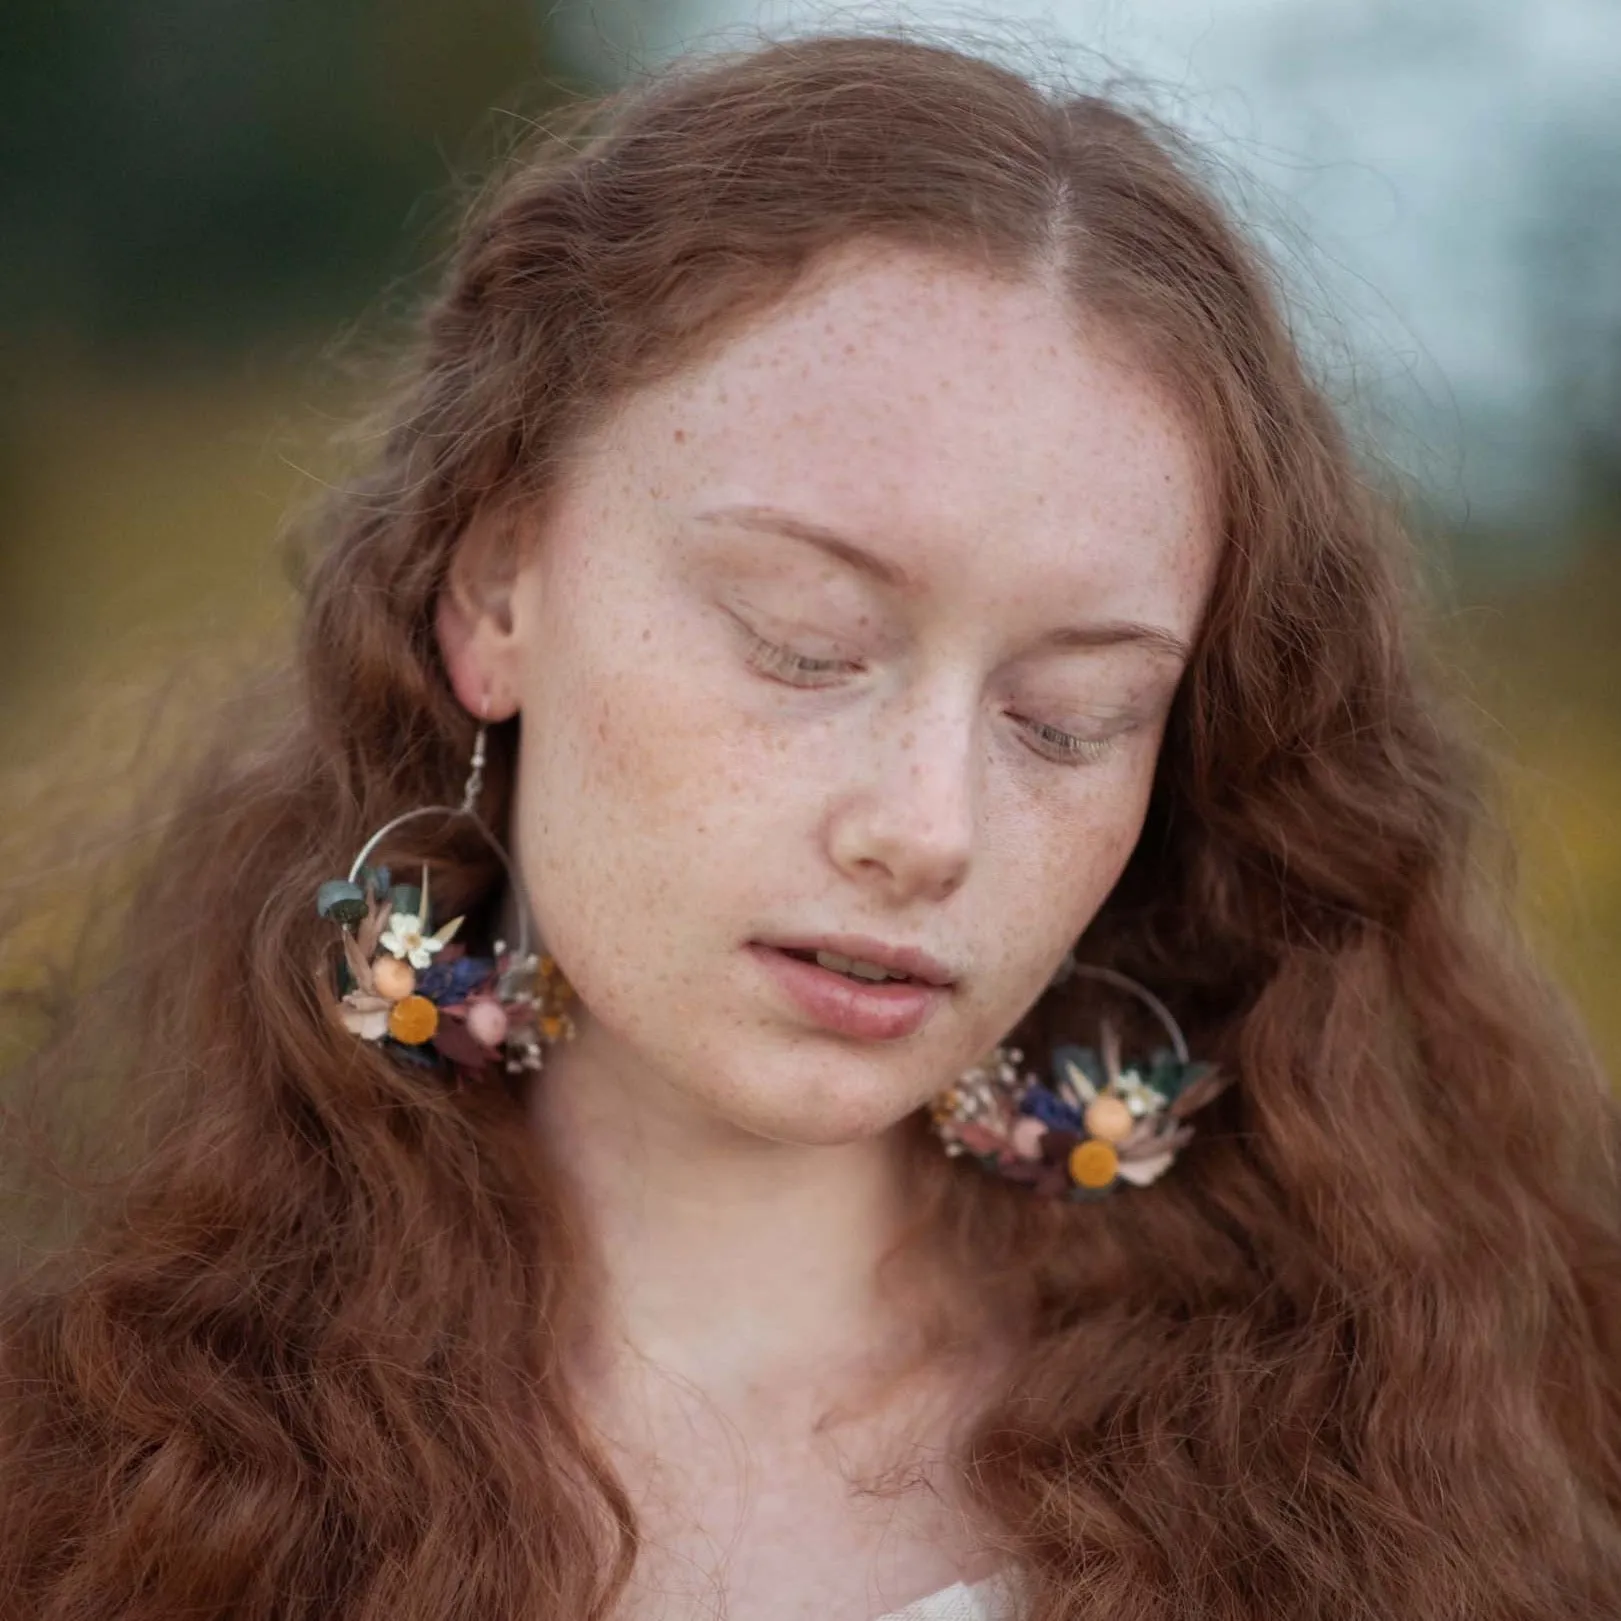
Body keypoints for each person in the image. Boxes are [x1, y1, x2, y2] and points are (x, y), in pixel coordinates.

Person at [2, 30, 1618, 1621]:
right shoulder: (84, 1462)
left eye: (1070, 720)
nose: (927, 829)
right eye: (802, 644)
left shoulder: (1453, 1465)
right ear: (495, 590)